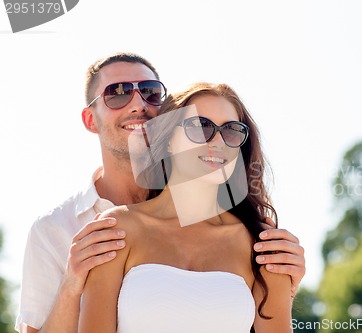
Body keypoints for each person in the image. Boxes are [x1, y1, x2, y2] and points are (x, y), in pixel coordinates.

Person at [16, 53, 305, 333]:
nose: (138, 105)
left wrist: (286, 289)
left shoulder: (261, 242)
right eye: (117, 93)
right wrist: (71, 283)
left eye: (151, 93)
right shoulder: (93, 228)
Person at [79, 81, 293, 332]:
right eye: (201, 127)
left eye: (232, 130)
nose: (218, 141)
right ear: (168, 138)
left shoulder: (261, 244)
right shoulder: (117, 229)